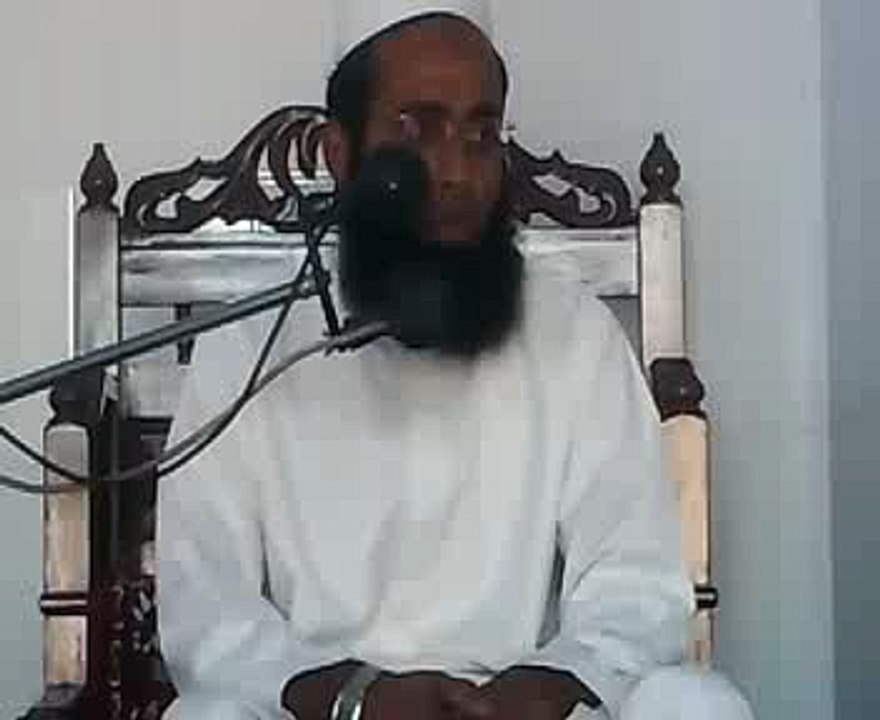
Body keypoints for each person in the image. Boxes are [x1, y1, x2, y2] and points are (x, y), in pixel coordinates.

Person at [157, 2, 755, 719]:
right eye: (418, 130)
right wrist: (357, 698)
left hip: (519, 707)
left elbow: (634, 585)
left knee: (695, 705)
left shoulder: (572, 332)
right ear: (340, 155)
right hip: (328, 709)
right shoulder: (252, 347)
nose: (456, 173)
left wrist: (541, 689)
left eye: (481, 134)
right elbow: (206, 603)